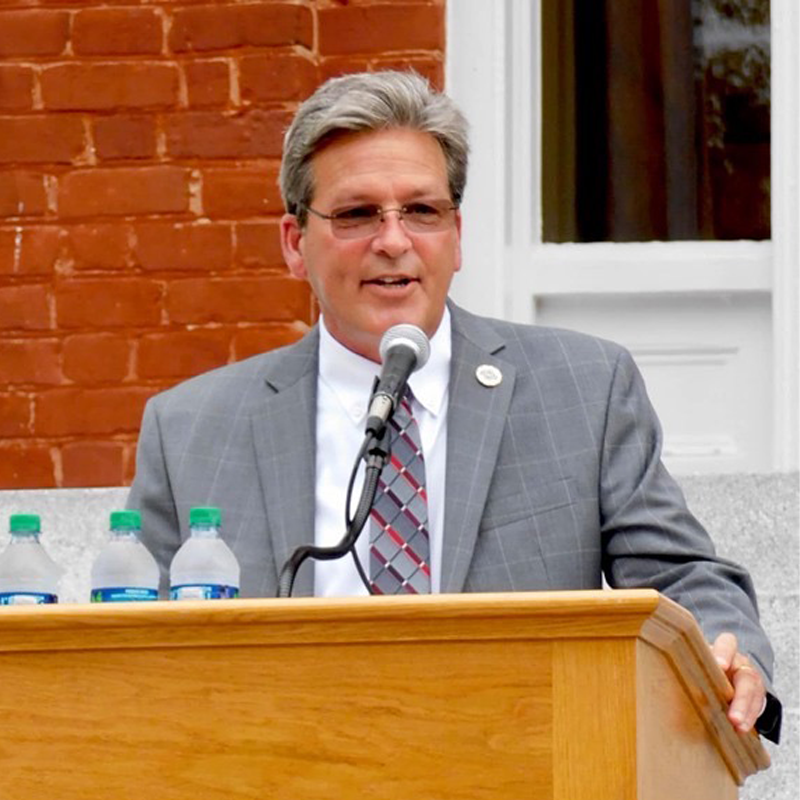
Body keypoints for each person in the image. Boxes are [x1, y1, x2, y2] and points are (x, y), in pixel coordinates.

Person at [127, 70, 780, 742]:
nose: (392, 241)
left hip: (523, 760)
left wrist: (732, 655)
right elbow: (127, 643)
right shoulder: (190, 429)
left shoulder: (582, 388)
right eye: (357, 214)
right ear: (295, 243)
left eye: (421, 211)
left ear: (457, 235)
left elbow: (680, 575)